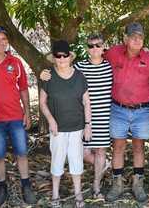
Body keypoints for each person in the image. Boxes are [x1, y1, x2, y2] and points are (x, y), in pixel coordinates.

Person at [40, 34, 113, 199]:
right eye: (91, 45)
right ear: (87, 49)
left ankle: (96, 187)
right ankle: (106, 166)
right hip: (80, 118)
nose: (94, 48)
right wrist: (42, 73)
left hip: (101, 116)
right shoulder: (80, 67)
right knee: (83, 153)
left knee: (99, 151)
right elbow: (57, 75)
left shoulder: (109, 67)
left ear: (103, 47)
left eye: (97, 45)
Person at [105, 22, 149, 202]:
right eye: (133, 36)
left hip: (141, 111)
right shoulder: (113, 53)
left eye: (140, 37)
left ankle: (138, 184)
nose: (137, 40)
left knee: (138, 148)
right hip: (118, 108)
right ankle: (117, 184)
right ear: (125, 38)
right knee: (118, 147)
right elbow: (98, 65)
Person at [0, 26, 36, 205]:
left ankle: (26, 185)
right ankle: (1, 187)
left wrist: (27, 113)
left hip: (15, 117)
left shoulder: (15, 62)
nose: (0, 42)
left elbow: (23, 88)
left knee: (21, 153)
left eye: (4, 39)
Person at [40, 40, 92, 208]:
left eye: (64, 56)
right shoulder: (48, 76)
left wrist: (88, 125)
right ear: (54, 58)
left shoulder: (79, 76)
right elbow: (42, 103)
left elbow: (86, 102)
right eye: (58, 56)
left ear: (70, 57)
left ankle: (78, 193)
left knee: (76, 160)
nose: (61, 59)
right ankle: (55, 194)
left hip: (77, 127)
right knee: (57, 160)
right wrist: (51, 120)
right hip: (58, 129)